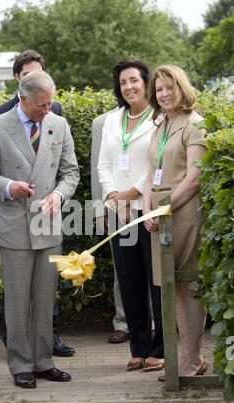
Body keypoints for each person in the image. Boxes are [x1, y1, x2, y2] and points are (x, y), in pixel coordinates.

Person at [0, 70, 79, 388]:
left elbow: (70, 172)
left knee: (45, 299)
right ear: (23, 98)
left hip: (48, 226)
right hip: (12, 228)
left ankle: (44, 360)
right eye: (41, 106)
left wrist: (59, 195)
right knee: (17, 300)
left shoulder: (58, 124)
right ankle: (20, 363)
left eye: (50, 104)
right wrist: (8, 186)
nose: (47, 111)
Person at [97, 58, 164, 372]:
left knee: (157, 281)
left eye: (134, 80)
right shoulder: (113, 120)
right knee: (129, 282)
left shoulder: (159, 119)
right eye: (123, 82)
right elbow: (103, 165)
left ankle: (161, 349)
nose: (129, 87)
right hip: (120, 214)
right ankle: (138, 347)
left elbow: (157, 164)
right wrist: (113, 197)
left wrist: (131, 194)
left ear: (145, 83)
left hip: (148, 212)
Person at [144, 64, 207, 380]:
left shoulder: (195, 125)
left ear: (182, 87)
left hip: (182, 216)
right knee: (171, 288)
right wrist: (147, 209)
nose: (164, 93)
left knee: (186, 287)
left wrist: (165, 208)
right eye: (159, 89)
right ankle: (185, 360)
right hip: (160, 218)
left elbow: (194, 177)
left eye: (170, 87)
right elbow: (150, 172)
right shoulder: (160, 125)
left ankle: (192, 361)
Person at [91, 110, 130, 343]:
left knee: (154, 267)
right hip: (116, 206)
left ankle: (157, 323)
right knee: (122, 269)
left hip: (148, 204)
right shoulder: (103, 122)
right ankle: (123, 322)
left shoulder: (158, 116)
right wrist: (98, 211)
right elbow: (98, 169)